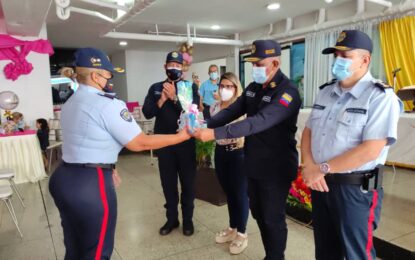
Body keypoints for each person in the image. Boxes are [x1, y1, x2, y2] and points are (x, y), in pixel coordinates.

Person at [48, 47, 191, 260]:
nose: (110, 80)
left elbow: (89, 137)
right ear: (96, 75)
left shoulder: (71, 102)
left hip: (63, 177)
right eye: (108, 75)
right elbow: (140, 143)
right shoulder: (108, 104)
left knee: (74, 245)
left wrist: (110, 166)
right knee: (97, 251)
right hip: (90, 184)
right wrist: (182, 136)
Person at [193, 40, 302, 260]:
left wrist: (215, 134)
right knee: (259, 214)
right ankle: (270, 253)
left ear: (275, 63)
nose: (255, 68)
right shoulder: (253, 88)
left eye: (259, 63)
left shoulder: (287, 92)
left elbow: (259, 121)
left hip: (276, 167)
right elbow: (233, 110)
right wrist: (206, 124)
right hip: (253, 163)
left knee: (272, 217)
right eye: (252, 64)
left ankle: (275, 256)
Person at [300, 30, 402, 260]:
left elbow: (371, 149)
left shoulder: (379, 97)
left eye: (345, 56)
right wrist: (308, 165)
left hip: (355, 189)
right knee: (325, 250)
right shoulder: (326, 92)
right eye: (336, 55)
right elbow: (308, 132)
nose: (338, 60)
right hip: (321, 185)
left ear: (365, 60)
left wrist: (321, 168)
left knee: (357, 254)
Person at [142, 51, 199, 237]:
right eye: (170, 65)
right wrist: (162, 99)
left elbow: (193, 114)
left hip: (185, 143)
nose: (174, 68)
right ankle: (172, 219)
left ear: (183, 67)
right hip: (163, 143)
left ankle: (188, 220)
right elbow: (148, 112)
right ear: (165, 67)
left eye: (177, 65)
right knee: (168, 184)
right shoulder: (155, 87)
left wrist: (175, 98)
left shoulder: (190, 87)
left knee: (188, 184)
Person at [210, 72, 249, 255]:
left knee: (240, 194)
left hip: (238, 153)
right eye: (222, 86)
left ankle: (242, 233)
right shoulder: (214, 107)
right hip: (220, 153)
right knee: (229, 193)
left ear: (236, 88)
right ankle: (232, 227)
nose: (225, 90)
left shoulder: (241, 108)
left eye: (229, 86)